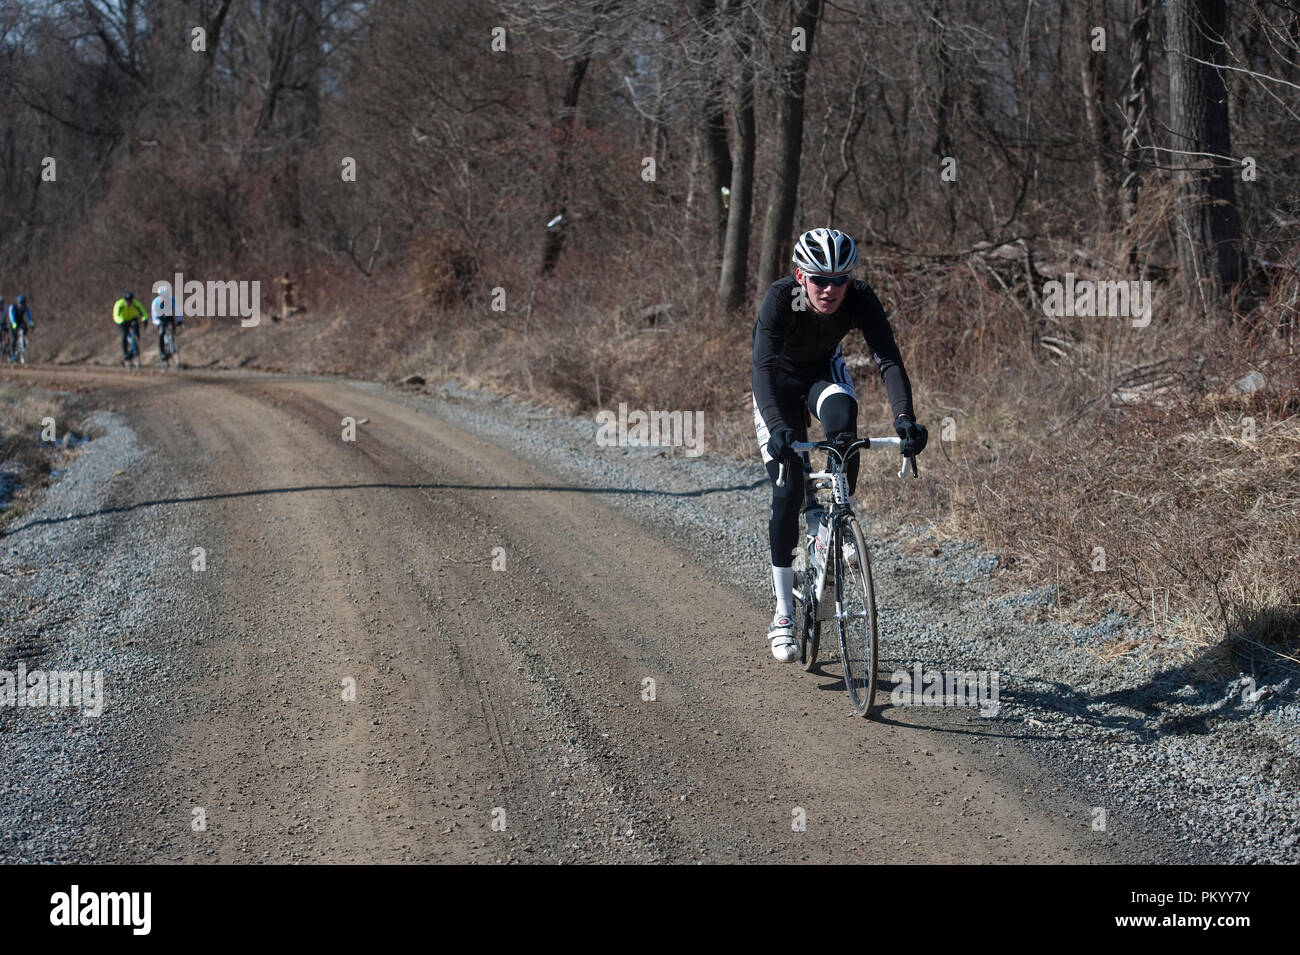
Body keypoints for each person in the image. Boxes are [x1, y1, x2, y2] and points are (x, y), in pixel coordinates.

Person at [752, 228, 928, 662]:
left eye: (839, 280)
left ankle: (832, 522)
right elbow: (762, 367)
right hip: (776, 384)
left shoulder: (859, 297)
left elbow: (887, 358)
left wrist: (904, 419)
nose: (829, 289)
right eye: (818, 280)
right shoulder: (780, 298)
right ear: (800, 276)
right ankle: (783, 613)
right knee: (788, 486)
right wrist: (777, 427)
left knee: (844, 428)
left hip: (822, 375)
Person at [113, 291, 148, 368]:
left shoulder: (136, 304)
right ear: (124, 300)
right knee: (124, 335)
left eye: (130, 301)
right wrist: (121, 321)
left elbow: (143, 313)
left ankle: (134, 351)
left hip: (133, 319)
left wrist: (144, 319)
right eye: (127, 301)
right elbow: (115, 316)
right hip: (123, 320)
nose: (129, 303)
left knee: (136, 335)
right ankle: (125, 353)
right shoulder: (119, 304)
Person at [151, 289, 183, 362]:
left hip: (169, 317)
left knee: (172, 330)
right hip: (160, 318)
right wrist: (158, 323)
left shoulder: (172, 299)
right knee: (161, 332)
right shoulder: (155, 302)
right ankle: (162, 352)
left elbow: (178, 310)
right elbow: (154, 317)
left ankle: (173, 344)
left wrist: (179, 319)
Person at [7, 294, 34, 362]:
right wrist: (13, 323)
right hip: (13, 322)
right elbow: (11, 315)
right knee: (14, 338)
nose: (22, 305)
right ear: (18, 303)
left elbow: (29, 315)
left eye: (24, 304)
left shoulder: (25, 308)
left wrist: (31, 323)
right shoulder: (13, 307)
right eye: (21, 303)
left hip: (20, 322)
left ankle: (22, 343)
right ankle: (13, 354)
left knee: (25, 329)